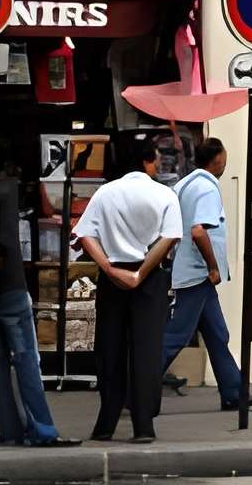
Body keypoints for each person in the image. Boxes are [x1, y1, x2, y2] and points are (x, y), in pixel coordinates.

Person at [73, 139, 181, 443]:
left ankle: (106, 422)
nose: (159, 165)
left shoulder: (105, 193)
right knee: (146, 350)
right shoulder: (164, 194)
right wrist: (141, 272)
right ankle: (143, 425)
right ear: (147, 161)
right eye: (157, 160)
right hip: (150, 275)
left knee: (111, 349)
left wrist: (108, 267)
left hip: (112, 277)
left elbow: (84, 234)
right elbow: (169, 238)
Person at [0, 173, 79, 447]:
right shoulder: (7, 189)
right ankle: (42, 429)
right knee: (26, 358)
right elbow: (6, 243)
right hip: (9, 286)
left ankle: (10, 430)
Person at [159, 140, 252, 413]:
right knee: (176, 336)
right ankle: (134, 390)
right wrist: (213, 266)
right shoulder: (206, 188)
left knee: (217, 334)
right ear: (216, 159)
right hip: (197, 274)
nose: (226, 161)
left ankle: (233, 392)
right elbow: (198, 231)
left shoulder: (186, 185)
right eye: (224, 156)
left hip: (194, 273)